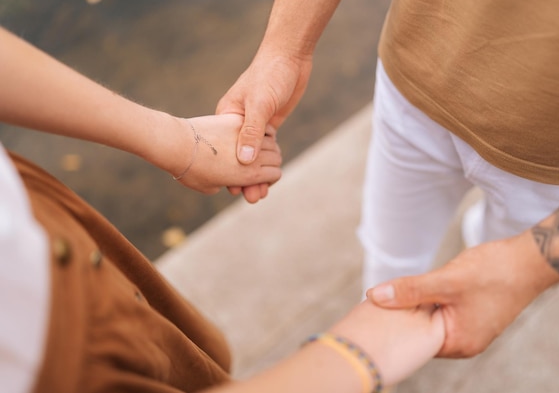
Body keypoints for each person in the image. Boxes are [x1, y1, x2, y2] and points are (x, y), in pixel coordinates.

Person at [0, 25, 445, 393]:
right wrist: (357, 357)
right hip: (53, 357)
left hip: (42, 222)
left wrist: (176, 141)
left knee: (191, 360)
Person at [216, 0, 559, 358]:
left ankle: (480, 240)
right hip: (413, 83)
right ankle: (379, 347)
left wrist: (528, 268)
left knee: (496, 246)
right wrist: (284, 50)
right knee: (389, 252)